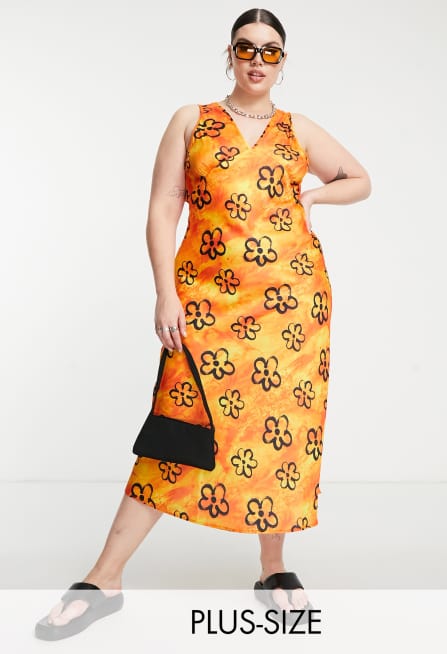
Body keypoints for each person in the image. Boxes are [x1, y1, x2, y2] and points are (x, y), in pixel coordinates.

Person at [35, 7, 371, 640]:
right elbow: (163, 206)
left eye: (270, 51)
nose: (257, 60)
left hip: (291, 311)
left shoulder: (298, 129)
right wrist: (165, 294)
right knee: (175, 429)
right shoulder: (191, 120)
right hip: (207, 306)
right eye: (246, 48)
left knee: (281, 435)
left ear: (283, 62)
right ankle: (104, 579)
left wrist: (314, 195)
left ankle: (273, 569)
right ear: (229, 54)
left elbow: (361, 180)